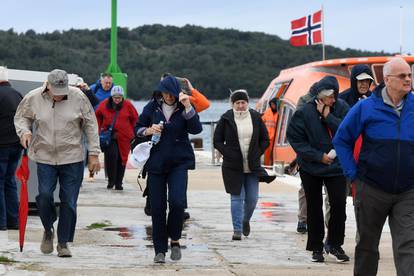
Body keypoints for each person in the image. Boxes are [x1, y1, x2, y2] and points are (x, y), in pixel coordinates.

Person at [333, 57, 414, 276]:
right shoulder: (365, 107)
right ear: (387, 80)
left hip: (408, 191)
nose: (408, 79)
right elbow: (341, 140)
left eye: (409, 75)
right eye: (403, 76)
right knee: (367, 248)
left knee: (409, 247)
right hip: (371, 188)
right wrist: (353, 175)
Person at [14, 69, 101, 257]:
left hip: (73, 157)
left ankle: (63, 243)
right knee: (44, 195)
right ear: (48, 86)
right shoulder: (33, 97)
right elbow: (21, 118)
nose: (60, 96)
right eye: (57, 92)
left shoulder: (78, 97)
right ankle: (48, 228)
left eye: (63, 92)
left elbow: (91, 125)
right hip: (44, 156)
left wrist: (94, 153)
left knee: (69, 202)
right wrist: (25, 132)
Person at [135, 76, 202, 263]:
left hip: (179, 163)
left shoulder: (184, 108)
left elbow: (196, 129)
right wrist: (148, 130)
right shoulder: (152, 107)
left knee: (178, 202)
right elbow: (137, 128)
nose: (169, 97)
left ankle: (175, 240)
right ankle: (159, 250)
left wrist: (188, 106)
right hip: (156, 163)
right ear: (161, 92)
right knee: (157, 208)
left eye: (172, 94)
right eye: (166, 93)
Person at [287, 76, 350, 263]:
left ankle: (335, 243)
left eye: (333, 96)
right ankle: (316, 247)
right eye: (328, 97)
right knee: (314, 207)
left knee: (339, 206)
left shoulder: (342, 108)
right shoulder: (304, 111)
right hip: (310, 166)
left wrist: (328, 117)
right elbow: (296, 139)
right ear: (319, 96)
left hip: (336, 166)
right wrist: (317, 156)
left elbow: (348, 131)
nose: (331, 100)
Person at [142, 73, 210, 218]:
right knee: (156, 196)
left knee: (177, 198)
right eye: (163, 87)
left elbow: (204, 105)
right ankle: (152, 205)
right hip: (157, 155)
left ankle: (177, 219)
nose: (168, 94)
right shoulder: (154, 104)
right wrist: (148, 130)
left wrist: (192, 91)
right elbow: (139, 125)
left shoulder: (183, 100)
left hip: (178, 158)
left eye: (170, 88)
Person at [213, 89, 269, 241]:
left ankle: (245, 220)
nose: (240, 105)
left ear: (247, 103)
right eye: (237, 103)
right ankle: (237, 229)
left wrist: (257, 152)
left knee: (252, 199)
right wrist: (228, 152)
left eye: (243, 102)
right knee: (237, 198)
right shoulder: (226, 118)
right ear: (233, 104)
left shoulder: (256, 117)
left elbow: (265, 139)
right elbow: (217, 141)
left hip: (252, 166)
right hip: (232, 166)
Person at [96, 86, 138, 190]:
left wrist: (134, 133)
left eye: (119, 97)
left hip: (125, 137)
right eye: (115, 97)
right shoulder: (104, 104)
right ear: (112, 96)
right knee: (111, 157)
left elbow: (135, 119)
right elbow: (97, 116)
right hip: (109, 137)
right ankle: (111, 181)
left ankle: (119, 182)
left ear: (122, 97)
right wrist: (99, 129)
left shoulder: (128, 104)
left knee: (122, 159)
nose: (117, 99)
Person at [0, 66, 23, 231]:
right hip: (17, 145)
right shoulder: (17, 94)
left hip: (2, 146)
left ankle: (1, 222)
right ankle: (13, 221)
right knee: (10, 182)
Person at [261, 97, 279, 166]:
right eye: (271, 104)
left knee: (274, 155)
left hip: (276, 139)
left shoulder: (280, 113)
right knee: (266, 154)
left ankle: (273, 166)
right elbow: (261, 121)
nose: (272, 106)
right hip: (267, 138)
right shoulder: (267, 112)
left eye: (274, 104)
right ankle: (267, 167)